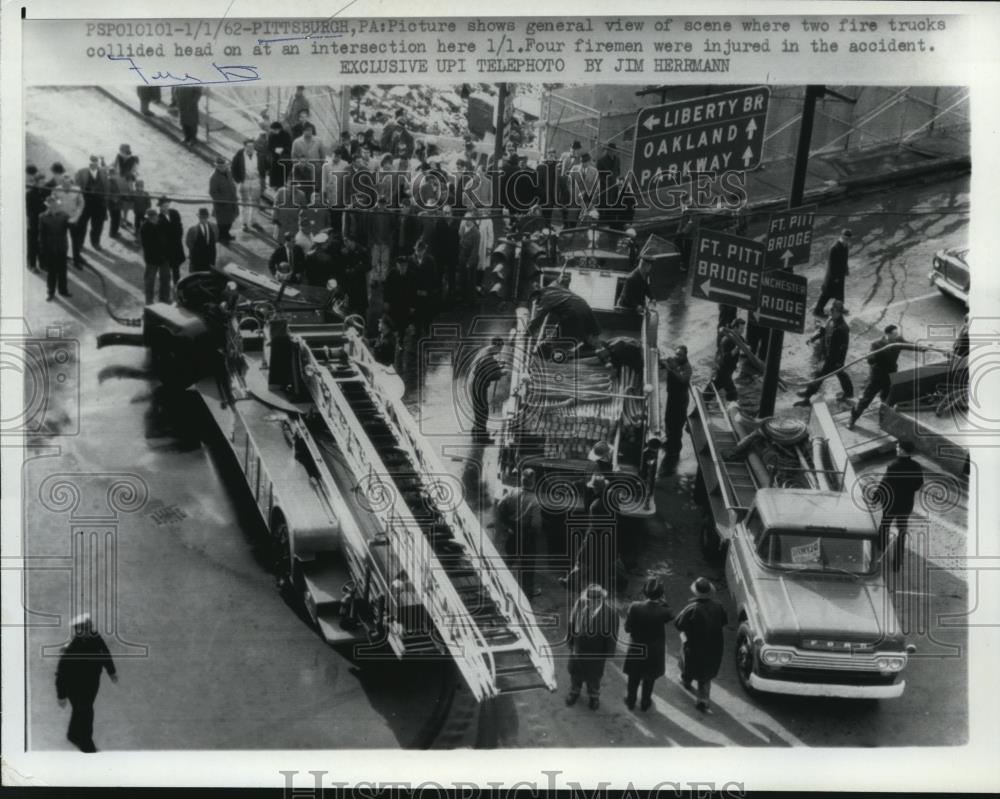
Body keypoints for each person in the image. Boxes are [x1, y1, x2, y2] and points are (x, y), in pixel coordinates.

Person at [56, 613, 118, 753]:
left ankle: (73, 734)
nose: (86, 631)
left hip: (92, 683)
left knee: (81, 710)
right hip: (74, 685)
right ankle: (86, 743)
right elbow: (61, 673)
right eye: (82, 628)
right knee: (85, 710)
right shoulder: (71, 648)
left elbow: (105, 654)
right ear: (78, 630)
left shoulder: (96, 639)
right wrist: (62, 694)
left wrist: (111, 671)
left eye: (88, 627)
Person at [847, 325, 926, 429]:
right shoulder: (876, 345)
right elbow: (871, 361)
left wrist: (922, 348)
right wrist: (870, 357)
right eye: (894, 334)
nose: (896, 336)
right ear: (887, 334)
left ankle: (882, 421)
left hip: (890, 376)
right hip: (877, 377)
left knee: (887, 401)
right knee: (866, 399)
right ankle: (853, 419)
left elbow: (909, 345)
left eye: (897, 334)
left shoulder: (898, 341)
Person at [675, 577, 728, 713]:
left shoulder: (691, 608)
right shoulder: (719, 606)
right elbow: (723, 622)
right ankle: (703, 700)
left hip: (694, 645)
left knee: (688, 662)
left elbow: (678, 624)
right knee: (706, 674)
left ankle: (686, 681)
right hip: (714, 646)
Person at [622, 577, 675, 711]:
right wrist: (664, 602)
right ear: (661, 594)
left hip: (636, 649)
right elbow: (670, 613)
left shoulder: (634, 606)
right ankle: (645, 703)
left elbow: (627, 628)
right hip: (654, 651)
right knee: (649, 679)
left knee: (633, 678)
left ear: (644, 592)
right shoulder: (665, 611)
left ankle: (630, 701)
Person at [874, 439, 924, 572]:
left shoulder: (893, 466)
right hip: (906, 504)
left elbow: (885, 484)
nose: (896, 449)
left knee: (885, 525)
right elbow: (918, 485)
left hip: (891, 504)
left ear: (902, 450)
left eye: (897, 447)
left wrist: (876, 497)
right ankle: (897, 562)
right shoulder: (917, 466)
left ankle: (880, 547)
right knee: (902, 530)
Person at [565, 583, 618, 709]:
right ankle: (575, 692)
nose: (590, 603)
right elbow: (572, 623)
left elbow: (612, 636)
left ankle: (594, 696)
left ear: (601, 599)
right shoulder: (580, 604)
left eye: (594, 601)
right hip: (579, 648)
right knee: (576, 674)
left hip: (596, 652)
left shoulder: (611, 614)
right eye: (588, 600)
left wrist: (608, 653)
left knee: (594, 677)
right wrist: (570, 642)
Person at [495, 468, 542, 598]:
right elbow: (536, 524)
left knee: (509, 559)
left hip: (513, 532)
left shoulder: (513, 492)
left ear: (522, 480)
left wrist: (505, 523)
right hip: (526, 535)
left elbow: (500, 505)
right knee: (528, 564)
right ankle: (528, 591)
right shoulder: (535, 501)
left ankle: (498, 583)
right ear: (533, 482)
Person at [795, 300, 853, 406]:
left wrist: (839, 362)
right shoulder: (830, 320)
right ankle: (849, 393)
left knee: (819, 375)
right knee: (841, 375)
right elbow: (823, 331)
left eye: (834, 311)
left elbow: (843, 347)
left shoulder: (843, 328)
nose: (832, 312)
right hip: (828, 355)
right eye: (832, 310)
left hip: (834, 358)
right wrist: (813, 338)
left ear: (839, 313)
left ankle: (807, 396)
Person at [526, 284, 602, 347]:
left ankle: (555, 357)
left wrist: (526, 334)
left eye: (534, 300)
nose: (535, 303)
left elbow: (537, 320)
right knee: (591, 336)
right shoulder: (553, 287)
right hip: (584, 306)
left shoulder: (544, 299)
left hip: (572, 312)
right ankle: (600, 350)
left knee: (556, 341)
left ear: (536, 295)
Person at [469, 337, 505, 444]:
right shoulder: (489, 358)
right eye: (500, 348)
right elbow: (493, 375)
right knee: (483, 411)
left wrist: (498, 365)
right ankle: (481, 438)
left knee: (478, 409)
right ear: (496, 346)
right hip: (478, 385)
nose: (500, 351)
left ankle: (476, 432)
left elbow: (488, 367)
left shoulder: (485, 351)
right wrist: (502, 372)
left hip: (474, 382)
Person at [37, 195, 71, 300]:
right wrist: (42, 250)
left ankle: (63, 290)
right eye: (51, 205)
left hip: (61, 246)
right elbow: (41, 234)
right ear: (48, 206)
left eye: (55, 205)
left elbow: (73, 228)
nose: (54, 207)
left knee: (62, 270)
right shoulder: (42, 217)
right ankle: (50, 292)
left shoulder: (64, 216)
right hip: (50, 248)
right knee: (51, 272)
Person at [662, 344, 693, 460]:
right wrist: (663, 362)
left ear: (685, 355)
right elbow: (663, 362)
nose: (677, 356)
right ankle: (668, 442)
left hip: (680, 401)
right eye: (676, 354)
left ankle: (675, 451)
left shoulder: (687, 367)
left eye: (680, 354)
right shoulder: (673, 360)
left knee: (677, 426)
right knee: (668, 420)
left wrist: (670, 369)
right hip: (671, 397)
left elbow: (683, 379)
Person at [704, 318, 745, 403]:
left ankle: (698, 410)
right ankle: (732, 410)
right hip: (722, 371)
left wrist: (746, 347)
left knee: (710, 391)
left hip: (728, 372)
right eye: (741, 329)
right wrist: (737, 349)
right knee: (732, 393)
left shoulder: (739, 338)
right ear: (735, 328)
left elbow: (746, 345)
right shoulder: (727, 340)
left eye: (743, 329)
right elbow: (726, 357)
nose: (743, 331)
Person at [74, 155, 108, 254]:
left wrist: (105, 203)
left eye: (95, 162)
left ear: (97, 162)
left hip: (99, 203)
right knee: (81, 225)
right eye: (91, 162)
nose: (93, 164)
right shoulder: (81, 172)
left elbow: (106, 188)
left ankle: (95, 242)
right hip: (85, 203)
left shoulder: (103, 172)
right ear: (88, 162)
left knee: (98, 225)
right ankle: (80, 244)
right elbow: (76, 188)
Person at [814, 229, 852, 317]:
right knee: (827, 293)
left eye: (848, 239)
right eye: (845, 238)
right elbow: (831, 266)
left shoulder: (845, 247)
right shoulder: (834, 248)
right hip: (832, 276)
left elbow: (844, 260)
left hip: (840, 275)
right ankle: (818, 310)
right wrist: (835, 278)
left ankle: (838, 308)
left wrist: (846, 269)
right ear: (841, 237)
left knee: (840, 293)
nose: (847, 240)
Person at [231, 138, 262, 233]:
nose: (250, 148)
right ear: (244, 146)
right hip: (244, 181)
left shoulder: (258, 154)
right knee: (244, 203)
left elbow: (265, 165)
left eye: (252, 146)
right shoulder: (239, 155)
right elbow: (233, 168)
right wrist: (238, 180)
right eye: (248, 146)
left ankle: (254, 221)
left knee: (255, 202)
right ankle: (244, 223)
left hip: (256, 180)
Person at [140, 207, 171, 304]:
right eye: (151, 217)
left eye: (155, 216)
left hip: (164, 258)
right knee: (150, 280)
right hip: (152, 259)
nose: (154, 218)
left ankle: (164, 298)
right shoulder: (145, 228)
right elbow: (148, 246)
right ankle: (149, 301)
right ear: (148, 218)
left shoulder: (162, 224)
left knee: (166, 278)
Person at [157, 196, 186, 288]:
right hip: (167, 249)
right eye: (164, 206)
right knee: (166, 270)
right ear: (160, 207)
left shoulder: (174, 213)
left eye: (167, 206)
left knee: (176, 268)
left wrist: (178, 237)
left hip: (176, 245)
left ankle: (176, 285)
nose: (166, 208)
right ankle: (165, 287)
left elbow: (180, 226)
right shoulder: (158, 219)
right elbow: (160, 236)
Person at [383, 255, 418, 331]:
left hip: (406, 305)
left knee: (404, 326)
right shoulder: (392, 273)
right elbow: (386, 289)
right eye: (401, 265)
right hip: (394, 304)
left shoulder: (412, 275)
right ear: (397, 265)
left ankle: (402, 341)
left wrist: (413, 306)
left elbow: (414, 292)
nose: (403, 267)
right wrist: (386, 301)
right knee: (393, 325)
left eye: (405, 265)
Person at [209, 157, 239, 244]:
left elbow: (232, 184)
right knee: (222, 223)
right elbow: (213, 193)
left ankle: (226, 234)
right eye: (220, 166)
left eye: (224, 166)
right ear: (217, 167)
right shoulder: (214, 178)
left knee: (230, 220)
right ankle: (221, 237)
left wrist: (235, 196)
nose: (222, 168)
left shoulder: (228, 173)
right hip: (222, 205)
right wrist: (224, 200)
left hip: (232, 202)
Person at [26, 165, 47, 272]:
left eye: (44, 182)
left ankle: (42, 264)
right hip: (33, 223)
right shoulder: (30, 194)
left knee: (42, 243)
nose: (43, 184)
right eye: (41, 182)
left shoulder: (43, 192)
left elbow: (47, 204)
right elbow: (29, 211)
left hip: (42, 222)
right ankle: (32, 265)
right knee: (33, 244)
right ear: (36, 182)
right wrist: (39, 215)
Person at [184, 208, 218, 273]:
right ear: (199, 217)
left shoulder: (214, 227)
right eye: (201, 217)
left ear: (207, 217)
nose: (203, 219)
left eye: (204, 217)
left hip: (210, 257)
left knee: (209, 275)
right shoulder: (193, 229)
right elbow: (189, 243)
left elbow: (216, 239)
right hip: (197, 258)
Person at [266, 121, 293, 190]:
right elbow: (269, 147)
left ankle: (282, 186)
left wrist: (283, 149)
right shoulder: (271, 136)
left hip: (285, 157)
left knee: (283, 172)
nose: (274, 131)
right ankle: (275, 186)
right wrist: (275, 150)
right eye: (273, 130)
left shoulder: (286, 135)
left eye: (275, 130)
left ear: (279, 129)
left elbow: (289, 146)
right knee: (275, 172)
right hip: (275, 157)